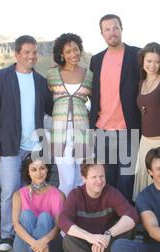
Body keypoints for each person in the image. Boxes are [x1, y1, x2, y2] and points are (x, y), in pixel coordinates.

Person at [0, 35, 54, 252]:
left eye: (34, 52)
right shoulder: (0, 77)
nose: (31, 56)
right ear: (17, 53)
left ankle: (27, 233)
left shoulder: (41, 81)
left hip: (34, 147)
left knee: (34, 191)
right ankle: (7, 234)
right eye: (27, 52)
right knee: (9, 191)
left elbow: (53, 108)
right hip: (9, 145)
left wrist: (57, 76)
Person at [58, 159, 139, 252]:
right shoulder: (76, 195)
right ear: (84, 178)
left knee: (129, 227)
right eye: (94, 177)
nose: (99, 181)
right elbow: (63, 221)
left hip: (107, 246)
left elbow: (131, 215)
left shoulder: (110, 192)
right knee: (68, 240)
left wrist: (108, 235)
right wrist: (90, 237)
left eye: (102, 176)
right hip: (86, 247)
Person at [89, 14, 141, 203]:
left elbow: (155, 73)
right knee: (107, 181)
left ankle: (125, 226)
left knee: (127, 181)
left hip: (128, 131)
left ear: (121, 28)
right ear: (102, 33)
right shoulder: (96, 60)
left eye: (115, 28)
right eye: (107, 29)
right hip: (102, 130)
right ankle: (110, 225)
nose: (112, 32)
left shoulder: (137, 55)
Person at [47, 33, 93, 197]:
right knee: (66, 179)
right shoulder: (52, 75)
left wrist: (86, 112)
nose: (73, 54)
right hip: (60, 132)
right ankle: (64, 218)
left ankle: (82, 216)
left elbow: (96, 102)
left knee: (83, 177)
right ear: (61, 54)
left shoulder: (89, 75)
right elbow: (45, 100)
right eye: (68, 51)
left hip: (82, 131)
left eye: (76, 50)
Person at [12, 154, 64, 252]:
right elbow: (16, 226)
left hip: (52, 247)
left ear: (47, 169)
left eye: (42, 168)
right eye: (33, 169)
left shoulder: (58, 194)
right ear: (28, 172)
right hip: (24, 246)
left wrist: (43, 242)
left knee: (45, 217)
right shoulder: (19, 194)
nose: (38, 173)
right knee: (27, 215)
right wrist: (36, 244)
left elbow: (59, 227)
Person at [132, 42, 160, 201]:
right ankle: (145, 220)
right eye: (149, 61)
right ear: (143, 62)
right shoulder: (140, 83)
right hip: (145, 140)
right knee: (144, 178)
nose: (152, 65)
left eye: (157, 61)